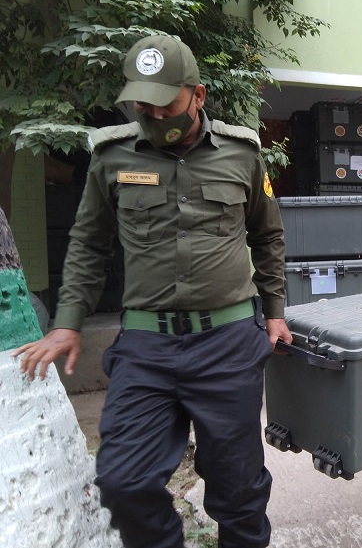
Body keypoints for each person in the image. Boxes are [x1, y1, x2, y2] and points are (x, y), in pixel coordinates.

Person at [12, 35, 291, 548]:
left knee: (239, 488)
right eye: (143, 105)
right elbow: (88, 242)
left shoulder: (242, 154)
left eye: (166, 104)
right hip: (146, 347)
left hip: (228, 342)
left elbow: (267, 235)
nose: (155, 115)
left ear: (198, 96)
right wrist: (68, 322)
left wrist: (274, 311)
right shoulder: (112, 156)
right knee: (123, 481)